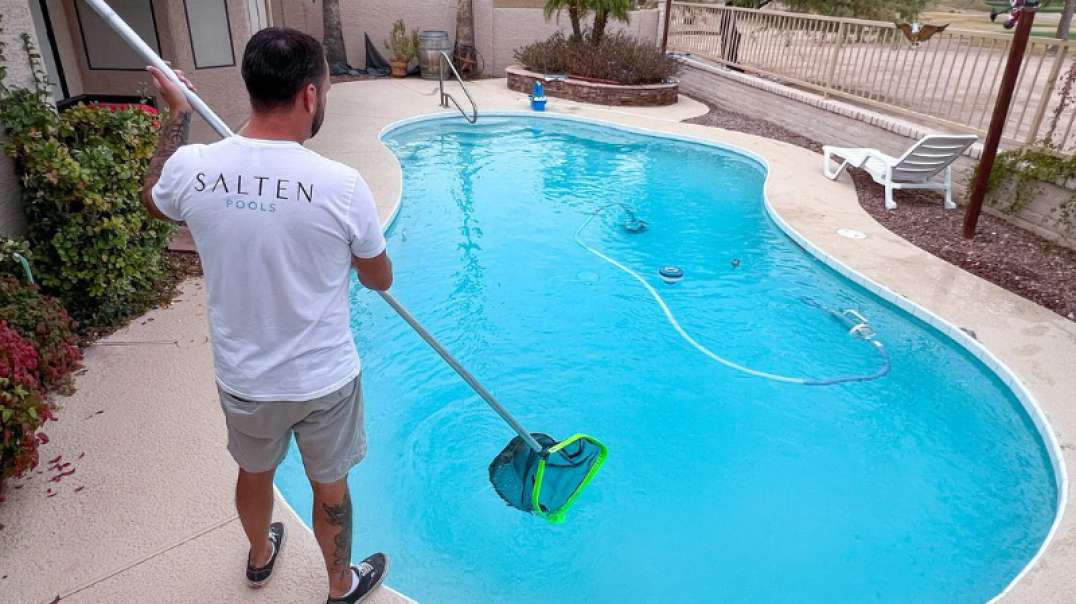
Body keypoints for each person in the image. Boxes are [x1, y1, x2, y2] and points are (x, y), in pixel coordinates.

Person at [140, 27, 393, 604]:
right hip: (324, 379)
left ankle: (260, 557)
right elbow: (380, 279)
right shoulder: (342, 186)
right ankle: (338, 584)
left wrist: (174, 113)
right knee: (329, 483)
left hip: (246, 378)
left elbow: (153, 197)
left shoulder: (193, 169)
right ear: (309, 95)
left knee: (254, 473)